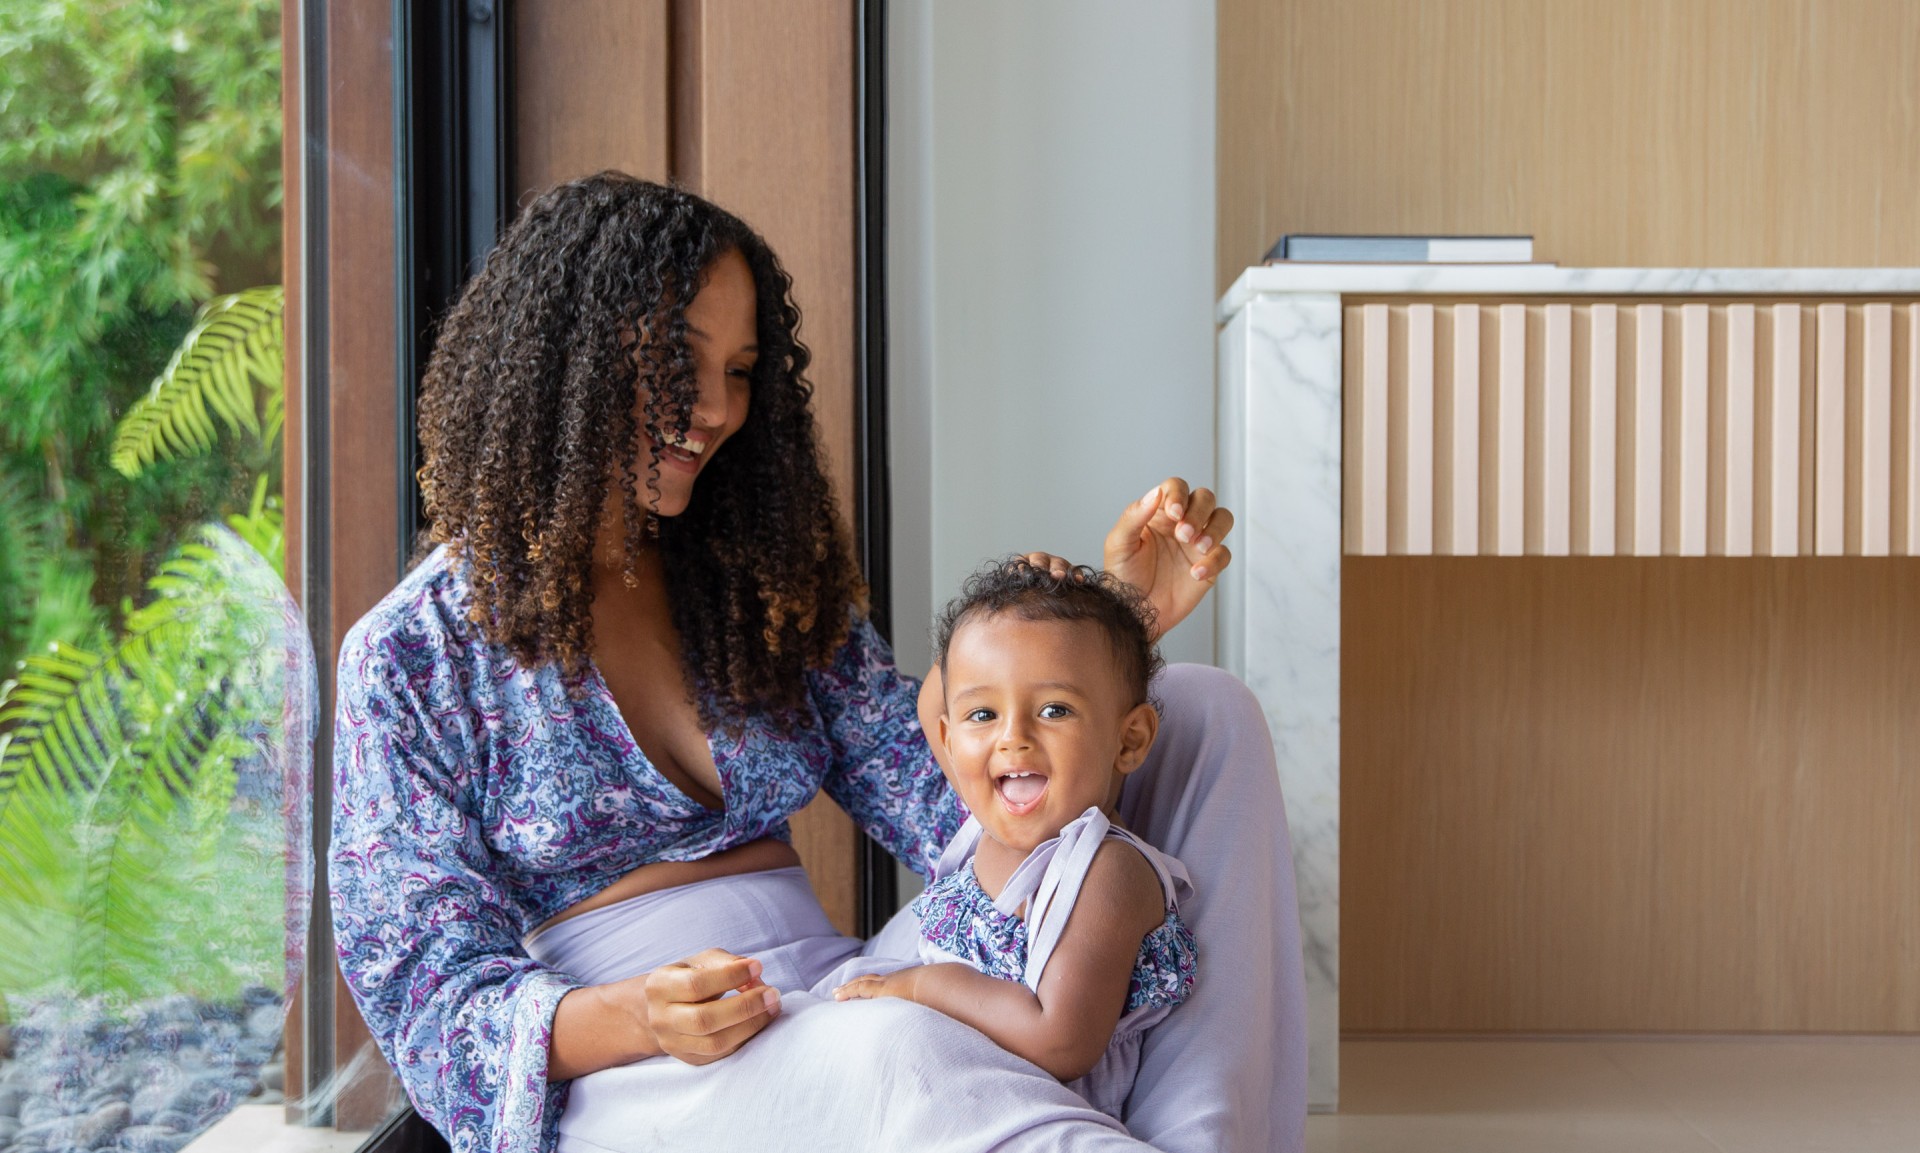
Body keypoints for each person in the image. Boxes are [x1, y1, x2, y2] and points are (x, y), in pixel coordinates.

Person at [328, 172, 1304, 1153]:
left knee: (1202, 710)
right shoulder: (409, 656)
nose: (714, 408)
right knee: (890, 1052)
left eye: (742, 370)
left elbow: (953, 800)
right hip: (645, 1070)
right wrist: (638, 1014)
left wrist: (1116, 630)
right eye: (680, 361)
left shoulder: (750, 577)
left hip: (838, 988)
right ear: (563, 362)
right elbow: (428, 999)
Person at [832, 559, 1198, 1121]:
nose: (1012, 738)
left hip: (1029, 1109)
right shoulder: (988, 816)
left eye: (1054, 710)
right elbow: (935, 708)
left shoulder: (1106, 870)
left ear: (1129, 741)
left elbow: (1061, 1042)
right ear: (952, 745)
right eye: (984, 713)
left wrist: (923, 986)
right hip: (943, 1083)